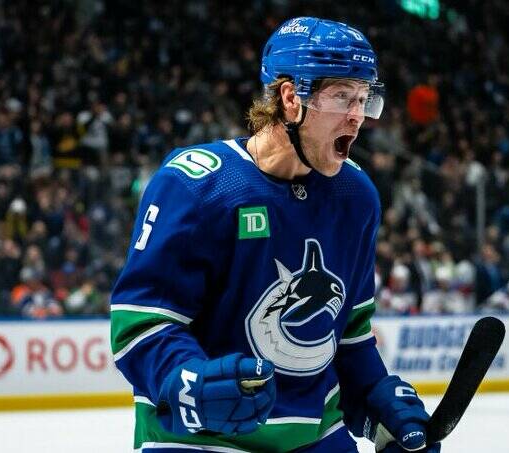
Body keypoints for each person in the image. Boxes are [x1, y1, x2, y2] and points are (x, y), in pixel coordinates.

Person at [110, 17, 441, 453]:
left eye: (364, 98)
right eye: (342, 96)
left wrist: (379, 402)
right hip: (200, 439)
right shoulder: (197, 186)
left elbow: (349, 337)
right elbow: (141, 321)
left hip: (316, 438)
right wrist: (186, 379)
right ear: (290, 98)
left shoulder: (356, 196)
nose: (358, 117)